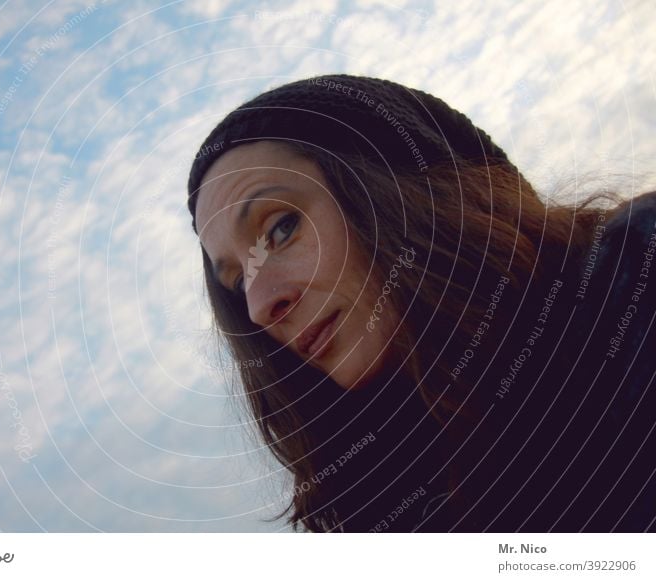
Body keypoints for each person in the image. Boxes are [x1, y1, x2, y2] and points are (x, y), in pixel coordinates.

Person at [185, 74, 656, 532]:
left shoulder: (636, 272)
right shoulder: (392, 510)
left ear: (404, 188)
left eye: (281, 228)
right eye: (237, 282)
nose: (260, 306)